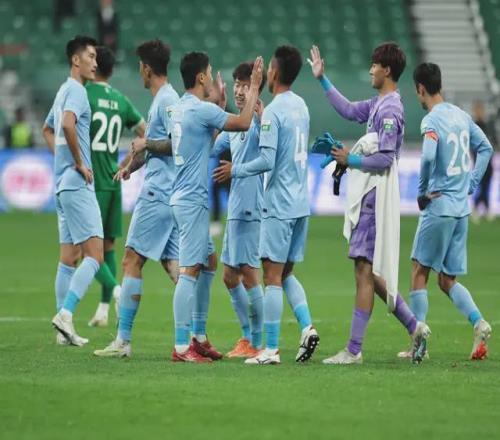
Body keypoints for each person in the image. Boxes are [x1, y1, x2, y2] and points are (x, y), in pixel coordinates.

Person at [308, 43, 430, 365]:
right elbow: (349, 110)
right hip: (371, 194)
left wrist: (351, 159)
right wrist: (322, 79)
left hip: (376, 195)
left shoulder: (390, 110)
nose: (371, 70)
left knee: (363, 269)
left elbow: (386, 158)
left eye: (375, 65)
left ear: (387, 70)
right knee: (369, 270)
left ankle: (353, 350)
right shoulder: (380, 103)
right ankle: (415, 327)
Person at [214, 46, 319, 366]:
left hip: (279, 203)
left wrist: (236, 170)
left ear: (274, 72)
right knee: (284, 274)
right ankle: (307, 327)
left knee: (270, 276)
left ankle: (269, 348)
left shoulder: (272, 112)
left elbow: (267, 160)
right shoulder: (301, 106)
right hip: (301, 202)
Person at [168, 51, 263, 362]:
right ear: (200, 77)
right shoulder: (201, 110)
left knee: (209, 261)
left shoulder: (179, 108)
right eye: (209, 71)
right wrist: (255, 86)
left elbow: (204, 141)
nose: (211, 76)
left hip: (181, 196)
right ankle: (181, 347)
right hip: (192, 200)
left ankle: (198, 335)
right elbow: (244, 122)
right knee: (190, 270)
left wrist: (219, 107)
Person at [94, 39, 179, 358]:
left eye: (140, 67)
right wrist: (131, 165)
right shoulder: (163, 99)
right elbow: (155, 147)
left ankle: (123, 341)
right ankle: (194, 336)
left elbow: (175, 144)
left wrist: (145, 146)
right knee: (176, 268)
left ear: (146, 68)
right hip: (169, 193)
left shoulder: (166, 100)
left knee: (131, 259)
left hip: (159, 193)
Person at [405, 62, 493, 360]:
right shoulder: (461, 115)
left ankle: (418, 344)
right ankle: (479, 323)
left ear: (420, 89)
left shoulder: (431, 121)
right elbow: (486, 149)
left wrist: (421, 192)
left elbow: (428, 155)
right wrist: (472, 181)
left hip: (439, 206)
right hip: (461, 211)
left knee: (419, 271)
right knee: (447, 280)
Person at [41, 35, 102, 346]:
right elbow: (66, 124)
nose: (95, 63)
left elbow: (47, 129)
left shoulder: (63, 90)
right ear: (76, 60)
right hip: (77, 184)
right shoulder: (77, 91)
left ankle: (62, 333)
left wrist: (63, 160)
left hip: (61, 185)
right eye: (90, 56)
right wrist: (78, 162)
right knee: (95, 255)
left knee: (68, 259)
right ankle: (65, 314)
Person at [86, 46, 146, 327]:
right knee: (108, 247)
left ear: (94, 65)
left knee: (87, 251)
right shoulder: (120, 100)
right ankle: (102, 309)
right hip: (113, 179)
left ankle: (117, 291)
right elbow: (146, 132)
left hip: (92, 182)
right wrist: (125, 163)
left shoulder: (83, 94)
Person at [212, 61, 266, 358]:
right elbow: (211, 147)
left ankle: (256, 342)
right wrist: (218, 108)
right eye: (236, 85)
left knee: (249, 274)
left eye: (245, 85)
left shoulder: (259, 120)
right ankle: (247, 338)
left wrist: (236, 170)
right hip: (235, 206)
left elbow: (268, 158)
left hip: (249, 206)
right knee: (230, 276)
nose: (239, 91)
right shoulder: (236, 123)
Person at [471, 101, 495, 222]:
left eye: (481, 110)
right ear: (475, 112)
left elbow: (493, 142)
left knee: (486, 186)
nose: (480, 113)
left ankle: (484, 208)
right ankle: (478, 207)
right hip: (479, 162)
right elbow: (472, 146)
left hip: (489, 162)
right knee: (481, 186)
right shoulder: (474, 127)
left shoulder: (487, 126)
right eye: (478, 110)